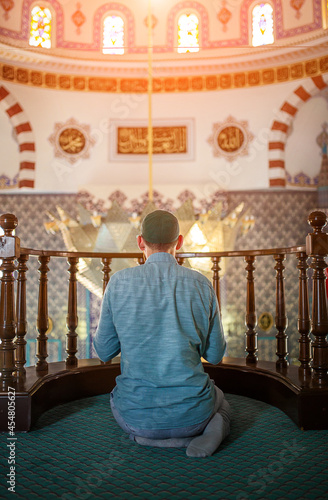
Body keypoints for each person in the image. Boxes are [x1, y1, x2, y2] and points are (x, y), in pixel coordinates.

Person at [93, 209, 231, 457]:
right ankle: (208, 430)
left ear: (140, 242)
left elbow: (104, 351)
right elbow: (215, 355)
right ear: (179, 242)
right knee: (220, 398)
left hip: (134, 418)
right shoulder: (201, 284)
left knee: (117, 396)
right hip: (193, 414)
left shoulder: (118, 282)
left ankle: (148, 438)